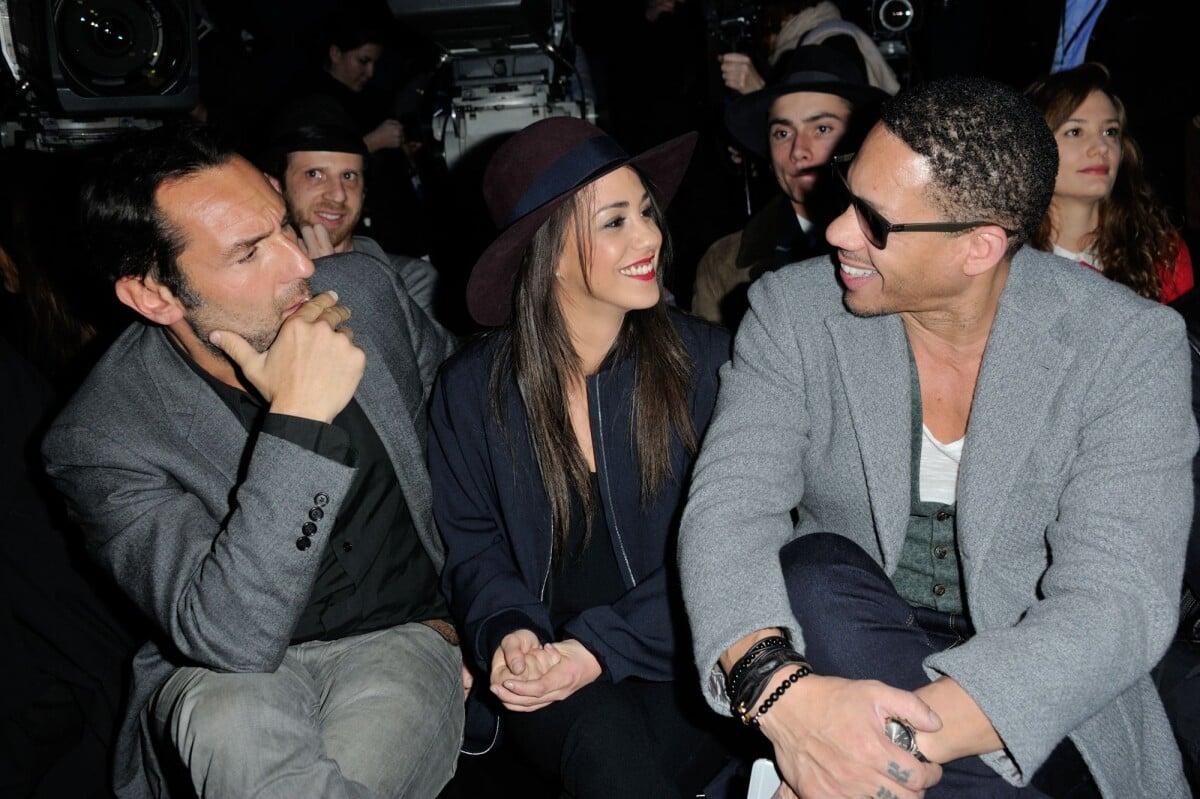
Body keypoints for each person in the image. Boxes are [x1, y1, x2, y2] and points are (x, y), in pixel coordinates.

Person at [680, 76, 1194, 799]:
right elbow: (730, 507)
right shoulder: (790, 313)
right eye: (844, 191)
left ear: (979, 247)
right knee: (812, 570)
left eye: (873, 220)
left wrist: (865, 753)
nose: (835, 231)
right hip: (842, 647)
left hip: (1033, 686)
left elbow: (1117, 602)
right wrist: (782, 697)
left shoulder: (1128, 344)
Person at [42, 123, 463, 799]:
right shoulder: (104, 435)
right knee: (230, 722)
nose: (300, 264)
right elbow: (229, 638)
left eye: (281, 228)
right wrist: (298, 420)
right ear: (155, 295)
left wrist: (489, 616)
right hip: (225, 672)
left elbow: (473, 441)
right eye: (248, 254)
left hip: (401, 635)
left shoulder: (367, 292)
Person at [428, 117, 733, 798]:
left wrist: (601, 648)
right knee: (605, 748)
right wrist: (507, 630)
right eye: (616, 221)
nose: (650, 236)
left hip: (684, 651)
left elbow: (734, 546)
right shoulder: (472, 389)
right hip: (551, 663)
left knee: (619, 764)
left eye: (647, 213)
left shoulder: (707, 364)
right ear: (551, 249)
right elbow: (473, 547)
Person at [692, 44, 885, 328]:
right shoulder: (724, 264)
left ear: (861, 140)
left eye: (821, 129)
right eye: (782, 133)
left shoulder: (901, 245)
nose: (798, 150)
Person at [1024, 62, 1193, 303]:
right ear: (1031, 147)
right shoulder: (996, 254)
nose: (1102, 147)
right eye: (1075, 132)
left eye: (1110, 132)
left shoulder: (1160, 252)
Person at [262, 96, 441, 318]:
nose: (338, 195)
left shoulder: (410, 280)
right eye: (314, 174)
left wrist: (331, 279)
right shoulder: (258, 286)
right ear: (276, 187)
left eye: (349, 176)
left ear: (364, 190)